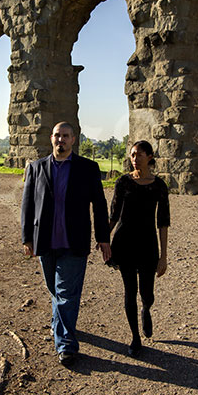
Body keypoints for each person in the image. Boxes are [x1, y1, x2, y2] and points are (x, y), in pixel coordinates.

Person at [21, 122, 111, 367]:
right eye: (57, 136)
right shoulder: (36, 168)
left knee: (66, 295)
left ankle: (66, 345)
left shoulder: (88, 168)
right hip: (45, 242)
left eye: (66, 136)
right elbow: (27, 204)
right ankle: (59, 324)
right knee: (55, 289)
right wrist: (26, 238)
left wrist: (103, 238)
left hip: (74, 242)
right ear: (51, 138)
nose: (61, 140)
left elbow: (100, 205)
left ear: (74, 139)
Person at [107, 140, 170, 356]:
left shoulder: (159, 185)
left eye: (139, 155)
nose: (135, 159)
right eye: (133, 155)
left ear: (150, 157)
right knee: (129, 291)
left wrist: (164, 257)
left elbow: (163, 221)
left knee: (147, 292)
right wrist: (104, 240)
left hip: (147, 244)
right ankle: (135, 337)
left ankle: (146, 308)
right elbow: (114, 214)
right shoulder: (123, 182)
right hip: (124, 243)